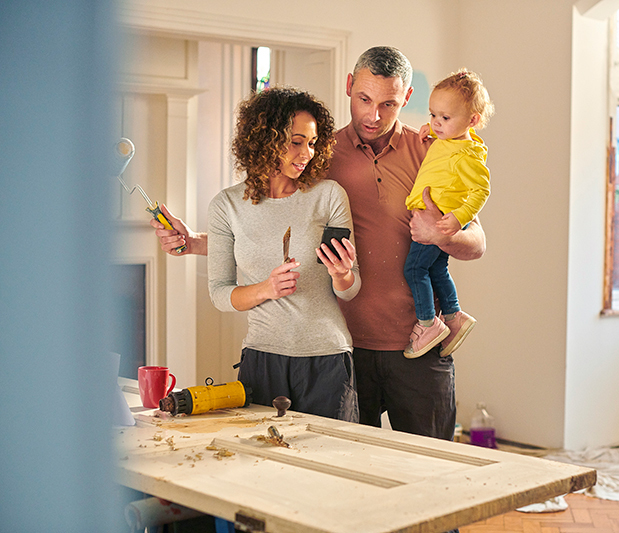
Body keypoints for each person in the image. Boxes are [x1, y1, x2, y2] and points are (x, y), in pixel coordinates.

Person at [151, 47, 486, 442]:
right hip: (343, 350)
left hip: (418, 343)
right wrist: (196, 242)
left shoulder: (432, 151)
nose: (373, 115)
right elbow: (273, 228)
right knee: (343, 477)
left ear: (407, 99)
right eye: (364, 99)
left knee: (433, 469)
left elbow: (476, 241)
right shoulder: (316, 154)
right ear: (348, 86)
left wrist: (444, 234)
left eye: (389, 104)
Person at [206, 86, 361, 422]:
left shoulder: (328, 196)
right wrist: (266, 288)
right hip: (262, 359)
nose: (307, 152)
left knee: (330, 466)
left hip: (327, 358)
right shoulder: (227, 206)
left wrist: (342, 274)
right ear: (265, 139)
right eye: (296, 141)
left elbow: (350, 289)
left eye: (312, 142)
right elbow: (219, 294)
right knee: (261, 464)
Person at [402, 69, 494, 359]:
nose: (436, 123)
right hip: (438, 217)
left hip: (437, 221)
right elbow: (445, 143)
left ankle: (428, 323)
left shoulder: (466, 155)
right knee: (437, 269)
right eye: (432, 115)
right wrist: (433, 131)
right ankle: (454, 316)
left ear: (473, 120)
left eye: (445, 118)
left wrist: (456, 220)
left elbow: (481, 191)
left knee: (415, 270)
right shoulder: (450, 141)